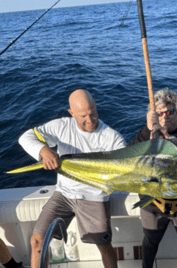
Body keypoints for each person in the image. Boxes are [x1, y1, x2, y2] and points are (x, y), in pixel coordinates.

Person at [18, 89, 126, 268]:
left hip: (94, 197)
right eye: (83, 116)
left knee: (104, 246)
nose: (90, 121)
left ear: (96, 106)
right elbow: (26, 137)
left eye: (92, 114)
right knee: (37, 242)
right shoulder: (61, 126)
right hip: (64, 194)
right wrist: (43, 151)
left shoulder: (112, 138)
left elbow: (123, 166)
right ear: (71, 113)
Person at [128, 87, 177, 268]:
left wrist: (175, 141)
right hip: (153, 204)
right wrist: (147, 131)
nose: (165, 116)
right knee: (150, 241)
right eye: (160, 112)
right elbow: (131, 155)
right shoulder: (147, 134)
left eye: (170, 112)